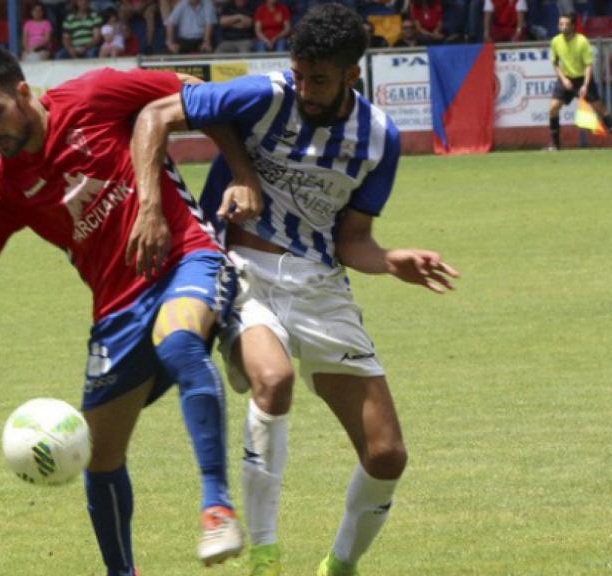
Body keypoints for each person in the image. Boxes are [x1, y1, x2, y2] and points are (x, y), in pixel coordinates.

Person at [0, 44, 261, 575]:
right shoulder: (8, 184)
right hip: (116, 311)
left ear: (25, 91)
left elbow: (201, 98)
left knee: (179, 338)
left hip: (187, 257)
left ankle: (216, 506)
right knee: (100, 454)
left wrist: (241, 172)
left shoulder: (95, 95)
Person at [134, 5, 460, 575]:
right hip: (243, 269)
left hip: (320, 287)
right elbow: (156, 114)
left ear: (352, 76)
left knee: (387, 455)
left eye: (321, 80)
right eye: (301, 73)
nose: (306, 89)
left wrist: (389, 260)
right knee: (274, 380)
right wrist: (153, 208)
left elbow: (354, 240)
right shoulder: (265, 95)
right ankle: (264, 553)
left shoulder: (379, 138)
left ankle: (340, 564)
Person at [548, 13, 612, 149]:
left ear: (573, 26)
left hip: (582, 78)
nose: (563, 27)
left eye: (566, 24)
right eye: (561, 24)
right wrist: (563, 79)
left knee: (599, 108)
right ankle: (556, 145)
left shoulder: (582, 41)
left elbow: (588, 65)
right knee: (553, 108)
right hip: (566, 78)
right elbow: (555, 63)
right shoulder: (555, 41)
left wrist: (585, 85)